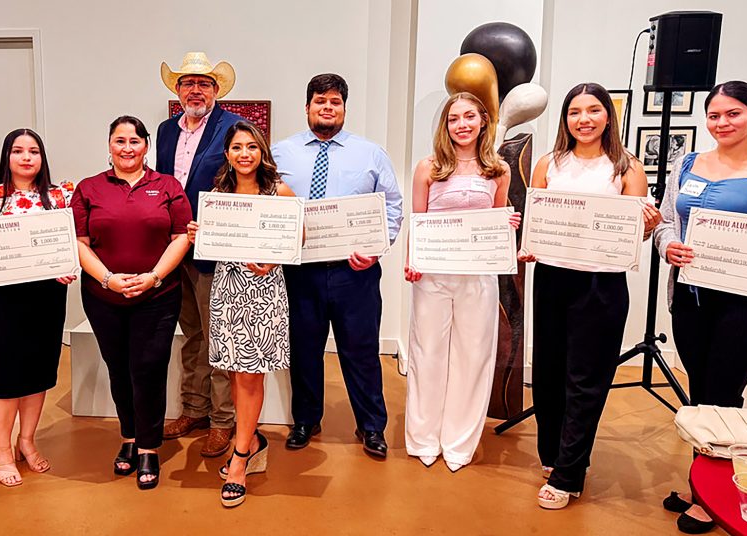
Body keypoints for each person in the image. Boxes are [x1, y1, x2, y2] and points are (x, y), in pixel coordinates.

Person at [518, 82, 661, 509]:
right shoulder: (549, 163)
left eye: (593, 110)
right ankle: (555, 455)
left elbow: (636, 231)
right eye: (575, 111)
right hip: (552, 279)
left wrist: (649, 223)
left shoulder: (627, 167)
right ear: (565, 119)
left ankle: (569, 473)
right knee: (547, 373)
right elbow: (535, 220)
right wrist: (526, 241)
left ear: (607, 117)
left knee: (586, 379)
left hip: (601, 285)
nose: (584, 119)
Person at [272, 73, 404, 458]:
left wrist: (378, 249)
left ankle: (371, 427)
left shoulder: (370, 153)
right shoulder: (282, 152)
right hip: (300, 271)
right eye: (320, 101)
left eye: (335, 102)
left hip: (355, 271)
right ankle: (305, 420)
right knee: (304, 349)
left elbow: (392, 205)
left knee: (360, 350)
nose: (327, 107)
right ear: (307, 107)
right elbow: (265, 198)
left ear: (345, 108)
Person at [655, 80, 747, 534]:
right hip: (691, 299)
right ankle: (704, 484)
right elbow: (663, 220)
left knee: (723, 398)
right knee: (700, 396)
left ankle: (713, 500)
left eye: (733, 114)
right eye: (714, 115)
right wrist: (668, 247)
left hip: (744, 305)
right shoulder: (689, 162)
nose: (722, 123)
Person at [403, 92, 520, 472]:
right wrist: (411, 261)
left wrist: (508, 225)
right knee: (427, 353)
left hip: (477, 278)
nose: (462, 125)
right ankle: (423, 438)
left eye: (469, 117)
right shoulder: (429, 167)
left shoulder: (498, 170)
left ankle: (459, 441)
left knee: (472, 357)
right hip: (433, 275)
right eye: (454, 119)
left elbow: (500, 218)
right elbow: (416, 220)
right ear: (445, 125)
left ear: (483, 121)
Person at [74, 116, 191, 489]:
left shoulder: (168, 186)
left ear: (146, 146)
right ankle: (128, 437)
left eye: (135, 141)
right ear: (109, 145)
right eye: (119, 141)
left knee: (149, 368)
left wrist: (153, 276)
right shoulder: (88, 188)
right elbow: (78, 242)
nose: (127, 148)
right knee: (118, 367)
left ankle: (149, 447)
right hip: (102, 296)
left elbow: (181, 237)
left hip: (158, 296)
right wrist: (108, 279)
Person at [185, 121, 295, 507]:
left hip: (262, 291)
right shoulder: (218, 195)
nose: (244, 154)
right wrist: (200, 233)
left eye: (251, 147)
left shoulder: (278, 191)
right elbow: (214, 245)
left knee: (251, 375)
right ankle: (251, 439)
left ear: (262, 152)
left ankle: (241, 457)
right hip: (228, 289)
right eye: (237, 148)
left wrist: (272, 258)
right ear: (227, 155)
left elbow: (298, 236)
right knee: (234, 371)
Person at [0, 128, 74, 487]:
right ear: (6, 157)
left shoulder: (60, 196)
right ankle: (3, 449)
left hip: (46, 297)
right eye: (17, 151)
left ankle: (27, 440)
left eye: (34, 151)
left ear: (42, 158)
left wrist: (67, 263)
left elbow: (72, 243)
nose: (26, 157)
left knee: (38, 372)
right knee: (5, 377)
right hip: (1, 299)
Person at [156, 52, 246, 456]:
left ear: (216, 90)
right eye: (188, 83)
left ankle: (223, 420)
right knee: (190, 332)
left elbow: (244, 177)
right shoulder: (164, 130)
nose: (196, 89)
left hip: (214, 247)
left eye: (204, 83)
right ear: (178, 90)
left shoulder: (232, 127)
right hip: (173, 247)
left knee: (218, 336)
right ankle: (194, 407)